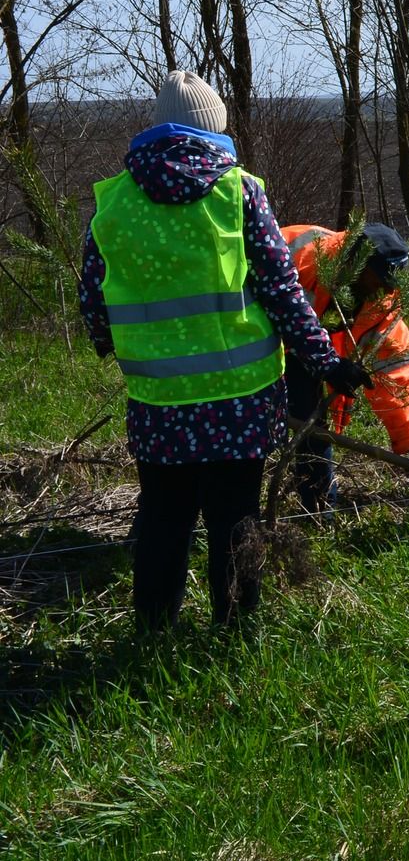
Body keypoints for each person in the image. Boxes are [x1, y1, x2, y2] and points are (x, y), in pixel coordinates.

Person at [78, 71, 372, 629]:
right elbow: (282, 292)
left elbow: (94, 299)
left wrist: (108, 343)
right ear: (215, 129)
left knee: (164, 514)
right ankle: (235, 631)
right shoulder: (238, 193)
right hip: (241, 395)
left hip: (157, 397)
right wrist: (325, 359)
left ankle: (153, 631)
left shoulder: (113, 203)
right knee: (235, 516)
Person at [279, 221, 409, 513]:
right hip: (262, 349)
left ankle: (319, 510)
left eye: (390, 283)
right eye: (378, 279)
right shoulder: (302, 260)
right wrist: (325, 362)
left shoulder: (382, 301)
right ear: (356, 261)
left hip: (317, 359)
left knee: (313, 423)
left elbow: (393, 373)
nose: (383, 290)